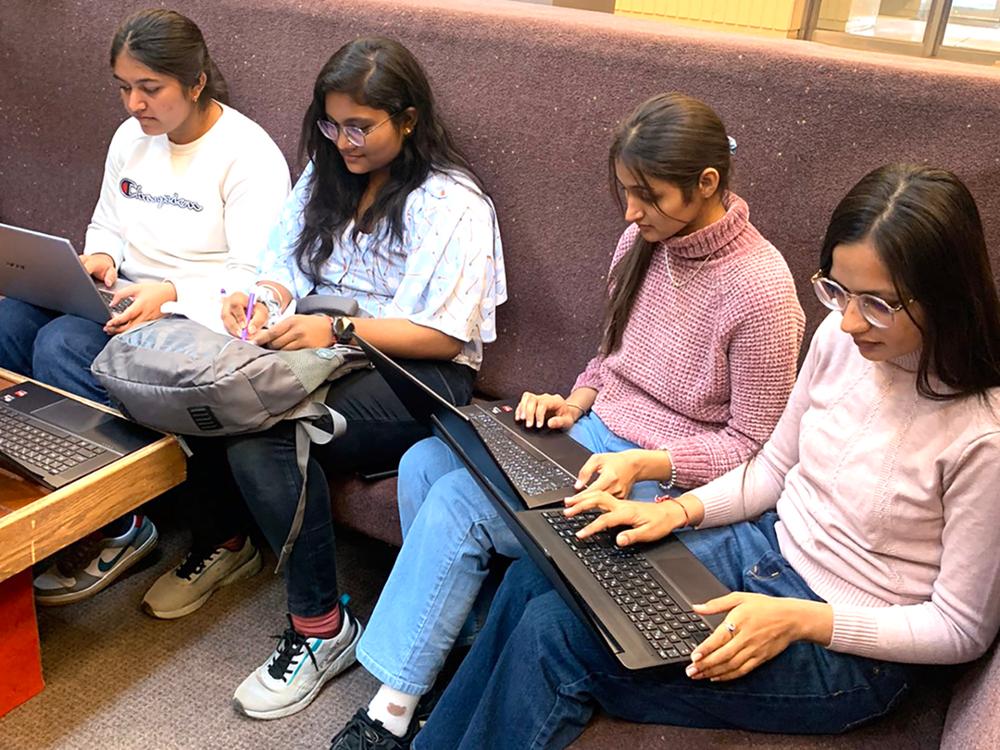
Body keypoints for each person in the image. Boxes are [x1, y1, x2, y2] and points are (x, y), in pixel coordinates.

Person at [416, 163, 1000, 750]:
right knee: (532, 577)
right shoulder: (839, 341)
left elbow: (961, 629)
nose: (848, 321)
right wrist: (676, 512)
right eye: (838, 291)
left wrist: (805, 621)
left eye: (877, 304)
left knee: (556, 637)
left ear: (947, 296)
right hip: (768, 548)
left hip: (850, 643)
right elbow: (774, 468)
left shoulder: (981, 434)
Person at [327, 92, 806, 749]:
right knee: (426, 460)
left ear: (708, 184)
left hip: (663, 481)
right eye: (625, 193)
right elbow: (611, 358)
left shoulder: (762, 291)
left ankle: (390, 712)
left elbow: (755, 447)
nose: (633, 213)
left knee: (463, 504)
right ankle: (456, 649)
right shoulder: (643, 243)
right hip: (595, 436)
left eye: (649, 196)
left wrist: (646, 462)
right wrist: (572, 402)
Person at [207, 37, 507, 721]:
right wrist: (263, 297)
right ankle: (219, 548)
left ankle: (321, 630)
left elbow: (446, 333)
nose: (343, 140)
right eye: (331, 123)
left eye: (360, 127)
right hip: (322, 351)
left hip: (417, 373)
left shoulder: (452, 201)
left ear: (407, 119)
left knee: (271, 431)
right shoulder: (326, 175)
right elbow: (283, 263)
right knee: (223, 397)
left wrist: (337, 331)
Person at [0, 8, 290, 606]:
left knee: (60, 347)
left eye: (150, 88)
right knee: (8, 322)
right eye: (124, 88)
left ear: (196, 81)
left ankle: (118, 521)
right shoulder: (132, 138)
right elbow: (108, 222)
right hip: (127, 295)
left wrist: (172, 295)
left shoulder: (247, 155)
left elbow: (256, 281)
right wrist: (99, 258)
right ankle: (38, 486)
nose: (134, 103)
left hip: (201, 319)